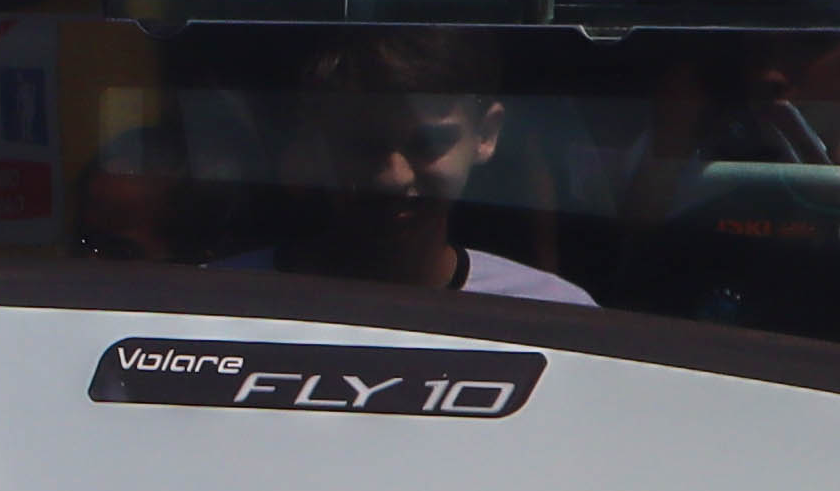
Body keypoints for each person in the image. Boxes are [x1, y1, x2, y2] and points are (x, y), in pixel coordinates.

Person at [234, 29, 595, 305]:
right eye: (363, 145)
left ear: (485, 135)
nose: (393, 177)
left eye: (428, 145)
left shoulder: (552, 314)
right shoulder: (223, 303)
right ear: (316, 139)